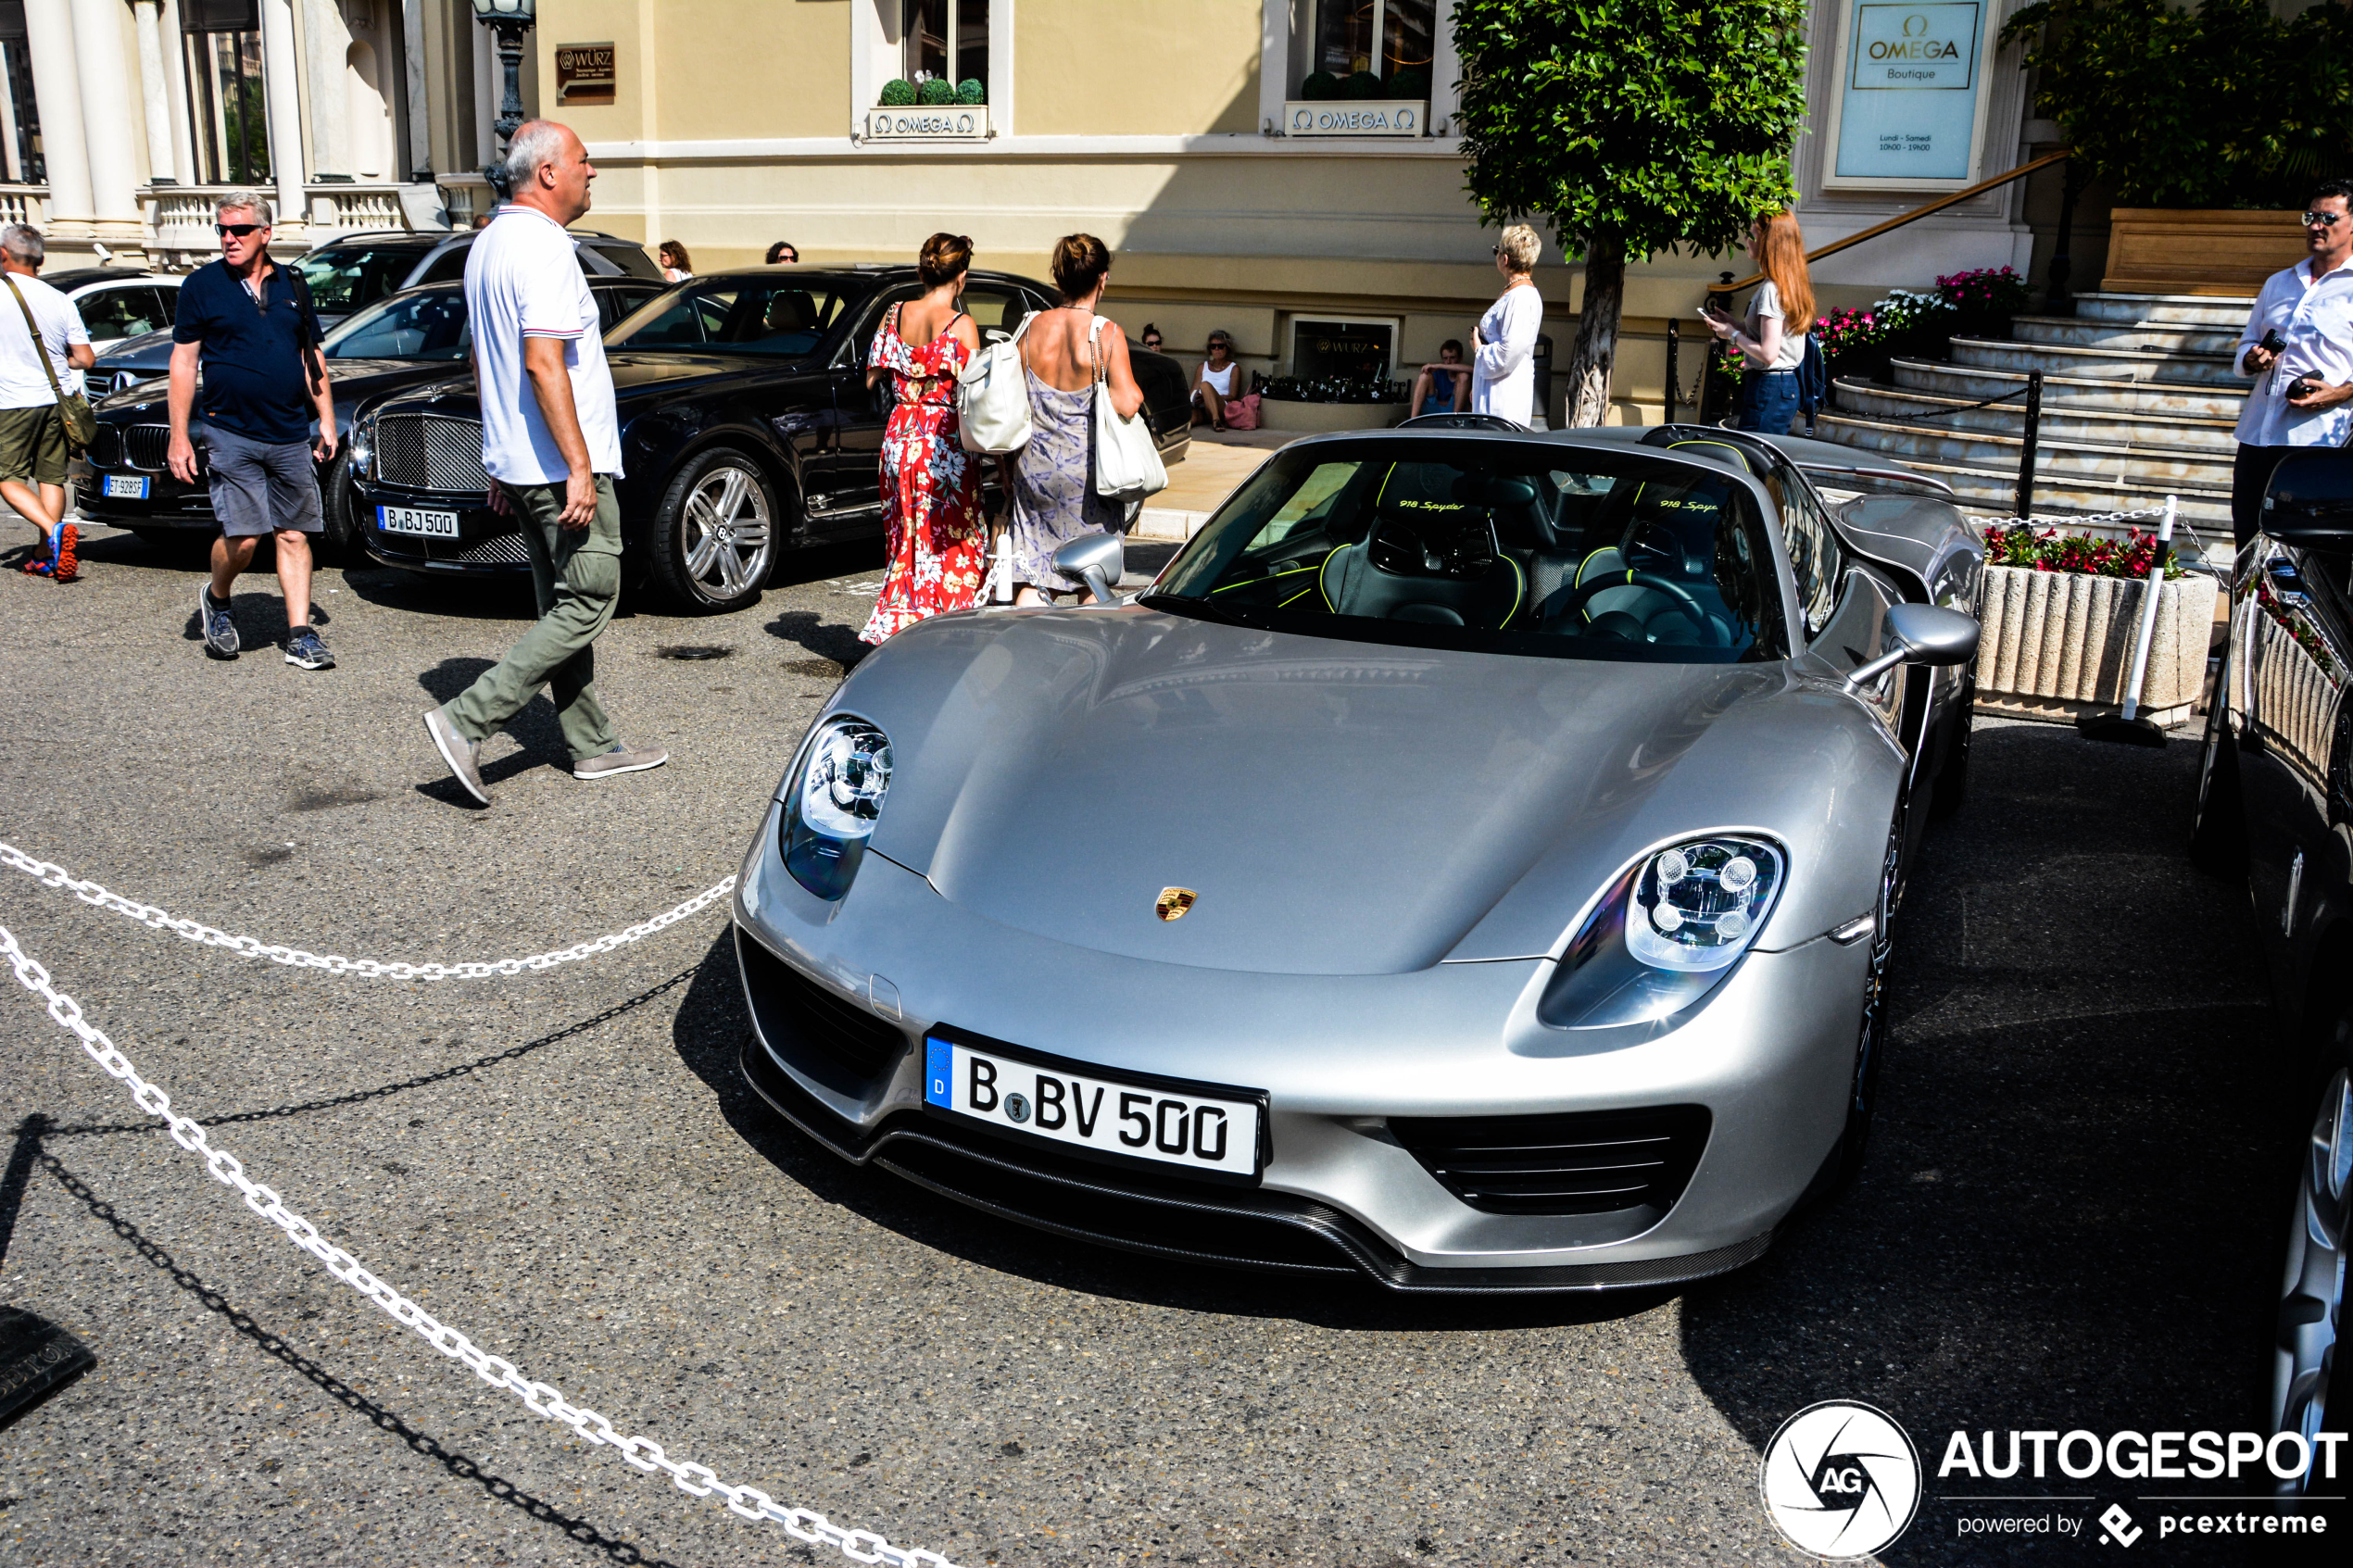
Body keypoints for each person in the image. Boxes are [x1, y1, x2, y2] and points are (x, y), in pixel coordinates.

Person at [422, 120, 666, 805]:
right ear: (551, 174)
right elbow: (539, 361)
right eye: (585, 162)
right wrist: (580, 467)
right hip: (559, 467)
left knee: (563, 605)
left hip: (522, 464)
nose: (593, 173)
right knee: (590, 599)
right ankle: (467, 721)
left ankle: (592, 745)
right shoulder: (547, 246)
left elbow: (482, 361)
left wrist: (498, 457)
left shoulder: (487, 245)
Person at [167, 191, 336, 670]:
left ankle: (300, 634)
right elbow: (183, 363)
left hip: (288, 430)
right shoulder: (202, 286)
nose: (228, 238)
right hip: (229, 429)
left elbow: (311, 357)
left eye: (239, 229)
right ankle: (218, 597)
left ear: (266, 233)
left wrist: (325, 417)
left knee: (294, 535)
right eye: (222, 229)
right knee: (244, 538)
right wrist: (180, 435)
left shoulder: (293, 284)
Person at [1003, 232, 1143, 606]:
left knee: (1033, 575)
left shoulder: (1030, 328)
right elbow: (1128, 402)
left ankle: (1028, 654)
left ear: (1058, 277)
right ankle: (1088, 655)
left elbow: (1013, 397)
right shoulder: (1106, 333)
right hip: (1087, 478)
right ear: (1102, 278)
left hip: (1033, 469)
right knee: (1090, 576)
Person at [860, 232, 987, 643]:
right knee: (951, 540)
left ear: (922, 272)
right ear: (961, 277)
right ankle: (948, 629)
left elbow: (871, 378)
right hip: (942, 444)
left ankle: (900, 624)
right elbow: (975, 395)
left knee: (906, 543)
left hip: (899, 438)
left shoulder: (894, 312)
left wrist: (908, 380)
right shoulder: (962, 325)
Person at [2232, 182, 2353, 546]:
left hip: (2319, 445)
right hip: (2258, 436)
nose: (2316, 226)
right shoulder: (2279, 283)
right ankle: (2246, 605)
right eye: (2311, 217)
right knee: (2247, 541)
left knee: (2306, 552)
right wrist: (2252, 359)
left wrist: (2341, 393)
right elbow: (2248, 342)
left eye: (2328, 217)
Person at [0, 224, 94, 582]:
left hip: (11, 400)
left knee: (7, 477)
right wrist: (53, 362)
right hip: (56, 401)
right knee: (51, 478)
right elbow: (85, 359)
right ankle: (44, 554)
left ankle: (52, 533)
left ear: (3, 254)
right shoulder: (60, 299)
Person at [1702, 209, 1814, 434]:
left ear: (1768, 242)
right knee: (1757, 458)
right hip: (1778, 385)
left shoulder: (1772, 290)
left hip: (1769, 386)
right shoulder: (1785, 284)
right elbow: (1772, 337)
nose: (1746, 240)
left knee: (1752, 461)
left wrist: (1731, 335)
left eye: (1752, 234)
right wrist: (1734, 324)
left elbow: (1768, 353)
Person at [1472, 225, 1542, 425]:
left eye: (1497, 251)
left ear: (1505, 259)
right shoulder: (1514, 292)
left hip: (1505, 396)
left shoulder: (1521, 297)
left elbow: (1508, 353)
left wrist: (1478, 349)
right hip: (1495, 388)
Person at [1190, 330, 1240, 430]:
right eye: (1213, 346)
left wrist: (1211, 396)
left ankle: (1216, 420)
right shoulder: (1202, 366)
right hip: (1202, 407)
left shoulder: (1234, 368)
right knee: (1189, 420)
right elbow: (1193, 392)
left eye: (1220, 346)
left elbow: (1233, 396)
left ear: (1227, 348)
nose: (1217, 349)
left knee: (1205, 385)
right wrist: (1197, 398)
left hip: (1221, 407)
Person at [1409, 339, 1470, 419]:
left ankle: (1455, 421)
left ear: (1460, 358)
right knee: (1424, 376)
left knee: (1464, 376)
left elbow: (1473, 369)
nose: (1448, 361)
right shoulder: (1438, 374)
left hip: (1454, 411)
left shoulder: (1462, 372)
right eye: (1445, 358)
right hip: (1435, 409)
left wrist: (1439, 366)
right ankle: (1412, 420)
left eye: (1452, 357)